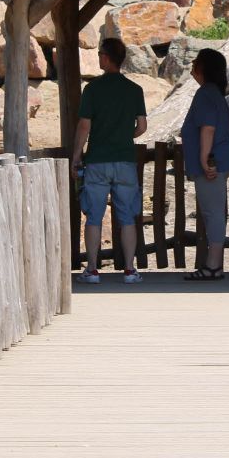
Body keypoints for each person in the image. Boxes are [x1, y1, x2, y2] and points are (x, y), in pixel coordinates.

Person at [71, 37, 148, 284]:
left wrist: (76, 156)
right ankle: (129, 268)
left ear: (106, 57)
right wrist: (126, 135)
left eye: (101, 54)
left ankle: (92, 269)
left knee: (94, 216)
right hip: (125, 159)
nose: (99, 57)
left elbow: (84, 126)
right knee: (127, 217)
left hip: (98, 160)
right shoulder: (134, 90)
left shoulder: (92, 90)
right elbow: (142, 126)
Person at [181, 48, 229, 281]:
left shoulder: (205, 94)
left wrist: (204, 159)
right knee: (214, 212)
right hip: (219, 159)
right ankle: (213, 264)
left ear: (204, 67)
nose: (192, 65)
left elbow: (208, 128)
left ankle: (213, 265)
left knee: (213, 213)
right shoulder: (214, 93)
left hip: (212, 162)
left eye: (196, 62)